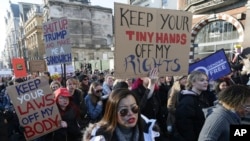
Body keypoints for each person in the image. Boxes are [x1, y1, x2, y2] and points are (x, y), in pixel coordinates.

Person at [83, 88, 160, 141]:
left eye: (134, 108)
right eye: (123, 111)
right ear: (112, 113)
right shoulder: (100, 137)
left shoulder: (150, 130)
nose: (131, 113)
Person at [174, 71, 208, 141]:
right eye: (202, 80)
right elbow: (184, 127)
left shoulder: (200, 98)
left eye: (206, 80)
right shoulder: (187, 101)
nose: (205, 82)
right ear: (193, 82)